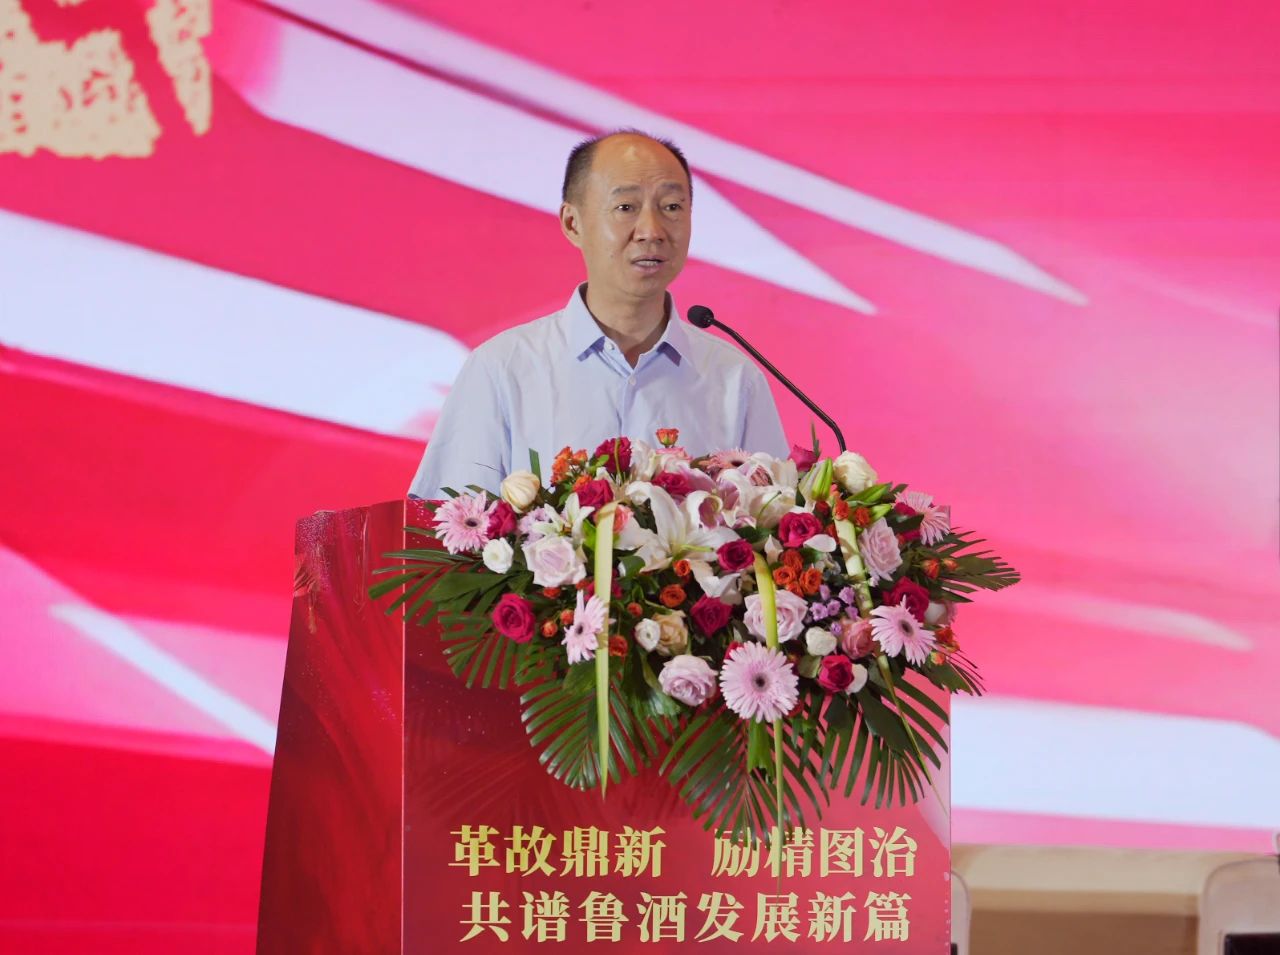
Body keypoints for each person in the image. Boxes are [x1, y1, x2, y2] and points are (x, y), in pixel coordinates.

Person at [408, 130, 788, 499]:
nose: (651, 230)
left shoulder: (735, 379)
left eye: (672, 207)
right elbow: (446, 527)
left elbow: (776, 521)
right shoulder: (503, 369)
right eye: (625, 208)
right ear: (572, 223)